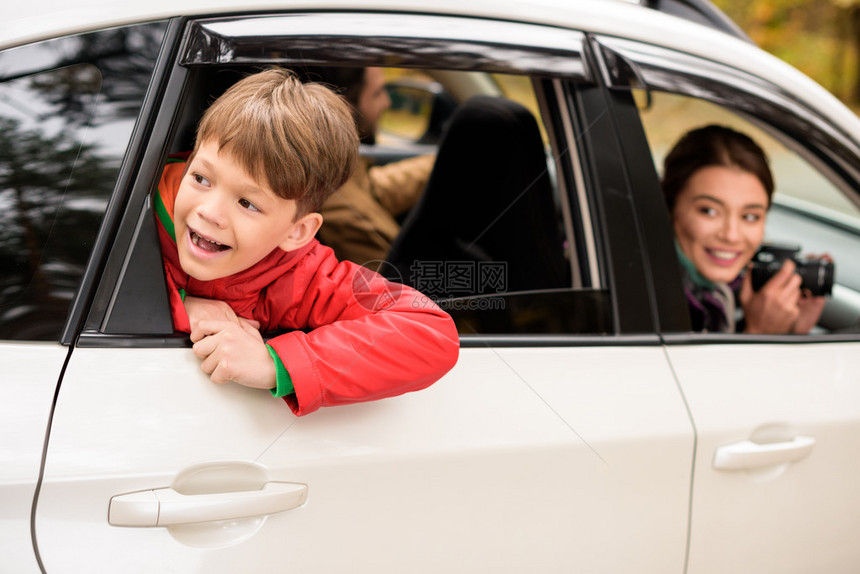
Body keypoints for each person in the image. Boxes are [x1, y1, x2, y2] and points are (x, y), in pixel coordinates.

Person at [155, 68, 459, 416]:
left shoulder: (304, 276)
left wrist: (276, 363)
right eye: (202, 178)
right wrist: (176, 308)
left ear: (296, 232)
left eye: (248, 203)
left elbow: (429, 334)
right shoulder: (133, 220)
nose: (209, 212)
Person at [662, 124, 827, 334]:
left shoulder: (718, 292)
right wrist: (759, 334)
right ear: (669, 206)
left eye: (750, 216)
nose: (731, 235)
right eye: (709, 211)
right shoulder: (646, 303)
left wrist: (793, 333)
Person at [298, 66, 435, 270]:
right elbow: (396, 288)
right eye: (377, 93)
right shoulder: (349, 219)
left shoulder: (333, 172)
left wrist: (449, 157)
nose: (387, 102)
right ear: (343, 108)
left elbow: (375, 187)